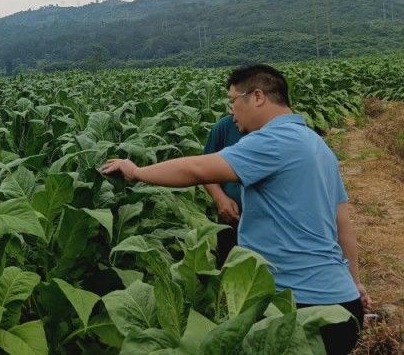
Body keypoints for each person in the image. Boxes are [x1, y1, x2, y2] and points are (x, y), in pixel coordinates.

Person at [101, 64, 369, 355]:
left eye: (233, 101)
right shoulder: (318, 146)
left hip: (297, 309)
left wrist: (136, 171)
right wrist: (355, 282)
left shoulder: (273, 140)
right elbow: (344, 227)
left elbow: (197, 168)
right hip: (342, 305)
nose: (231, 111)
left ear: (257, 96)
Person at [202, 114, 245, 267]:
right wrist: (220, 198)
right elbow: (204, 171)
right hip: (231, 217)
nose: (234, 113)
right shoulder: (224, 127)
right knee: (228, 267)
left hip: (267, 222)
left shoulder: (279, 133)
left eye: (234, 101)